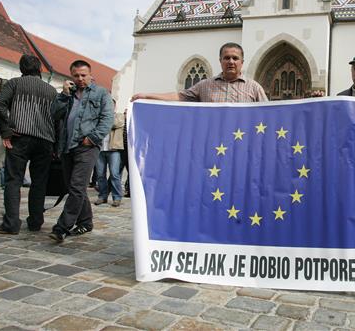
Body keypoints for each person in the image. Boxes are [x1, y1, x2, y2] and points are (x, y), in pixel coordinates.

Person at [0, 55, 58, 234]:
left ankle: (11, 224)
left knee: (14, 181)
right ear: (39, 69)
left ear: (22, 69)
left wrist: (5, 129)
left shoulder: (15, 84)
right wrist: (55, 145)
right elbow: (59, 119)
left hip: (20, 137)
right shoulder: (51, 91)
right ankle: (35, 222)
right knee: (39, 182)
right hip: (45, 140)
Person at [49, 60, 114, 243]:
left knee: (77, 187)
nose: (80, 79)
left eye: (83, 75)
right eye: (76, 75)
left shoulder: (101, 93)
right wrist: (63, 95)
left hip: (87, 146)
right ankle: (86, 222)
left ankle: (62, 227)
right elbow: (55, 114)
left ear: (90, 75)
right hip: (67, 146)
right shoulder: (68, 95)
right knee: (74, 187)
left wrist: (92, 138)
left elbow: (107, 119)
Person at [132, 42, 267, 103]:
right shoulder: (205, 86)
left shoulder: (254, 88)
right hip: (213, 144)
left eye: (235, 58)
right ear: (220, 61)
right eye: (226, 58)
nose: (231, 61)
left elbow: (270, 114)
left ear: (242, 62)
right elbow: (179, 96)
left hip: (242, 142)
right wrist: (147, 96)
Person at [95, 104, 125, 207]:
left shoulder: (119, 116)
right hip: (100, 149)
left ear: (114, 106)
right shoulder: (98, 116)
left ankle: (117, 197)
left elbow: (117, 124)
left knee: (114, 174)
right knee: (100, 174)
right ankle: (102, 196)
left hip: (114, 149)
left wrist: (105, 119)